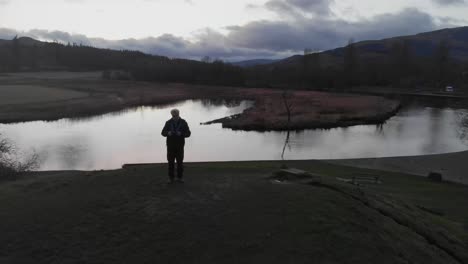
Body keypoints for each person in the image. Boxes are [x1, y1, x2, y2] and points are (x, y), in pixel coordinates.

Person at [161, 109, 191, 183]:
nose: (174, 117)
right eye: (173, 115)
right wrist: (168, 133)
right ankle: (171, 178)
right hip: (170, 146)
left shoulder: (183, 122)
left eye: (176, 115)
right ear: (171, 115)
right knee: (170, 162)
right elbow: (163, 133)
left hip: (180, 146)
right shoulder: (168, 122)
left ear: (178, 114)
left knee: (180, 162)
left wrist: (181, 134)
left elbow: (188, 134)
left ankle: (180, 178)